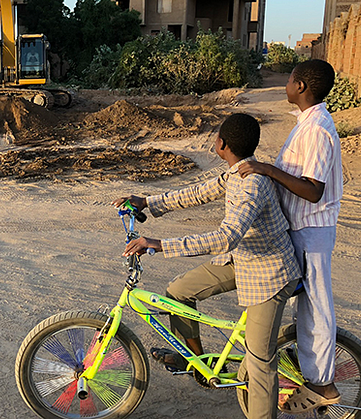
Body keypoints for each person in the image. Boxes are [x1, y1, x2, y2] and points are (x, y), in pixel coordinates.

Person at [113, 113, 301, 419]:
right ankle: (198, 363)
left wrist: (160, 244)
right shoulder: (238, 172)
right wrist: (146, 201)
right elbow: (199, 192)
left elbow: (226, 238)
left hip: (269, 274)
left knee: (260, 362)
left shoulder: (252, 185)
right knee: (176, 293)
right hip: (242, 261)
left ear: (222, 144)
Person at [238, 59, 342, 412]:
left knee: (315, 306)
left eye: (289, 78)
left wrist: (267, 169)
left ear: (300, 87)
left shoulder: (317, 130)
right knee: (305, 306)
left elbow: (313, 190)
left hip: (311, 227)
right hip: (299, 226)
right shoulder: (307, 124)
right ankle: (309, 371)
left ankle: (323, 384)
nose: (285, 83)